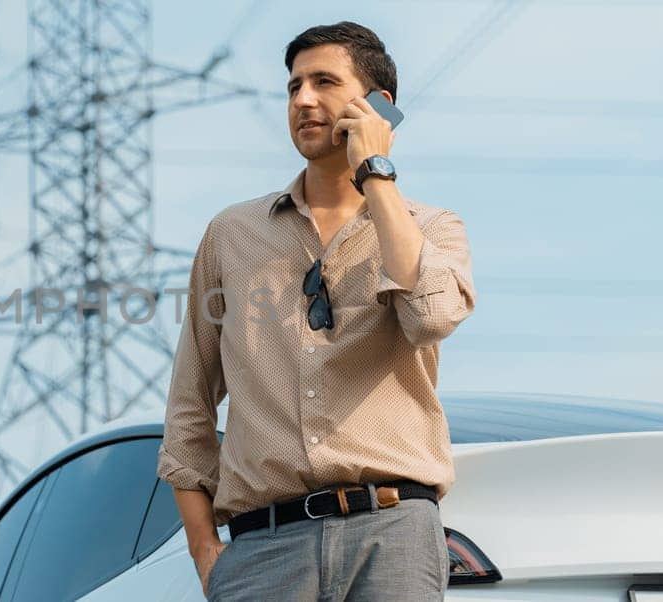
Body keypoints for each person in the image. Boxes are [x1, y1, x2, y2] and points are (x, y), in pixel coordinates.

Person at [156, 20, 478, 601]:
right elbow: (189, 406)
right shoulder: (231, 235)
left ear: (380, 107)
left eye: (324, 82)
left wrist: (375, 172)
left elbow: (430, 319)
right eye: (293, 85)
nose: (303, 100)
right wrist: (207, 553)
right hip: (262, 552)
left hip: (392, 536)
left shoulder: (431, 228)